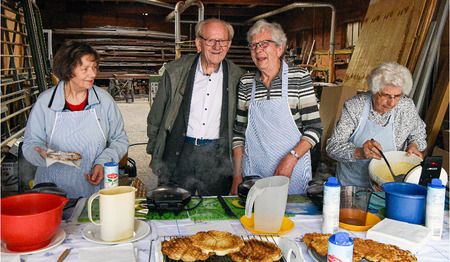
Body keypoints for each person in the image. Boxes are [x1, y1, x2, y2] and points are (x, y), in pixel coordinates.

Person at [146, 18, 246, 196]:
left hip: (218, 159)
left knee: (215, 212)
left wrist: (237, 173)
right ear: (199, 43)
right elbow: (156, 118)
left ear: (229, 44)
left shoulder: (238, 78)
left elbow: (241, 130)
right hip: (179, 153)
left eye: (222, 41)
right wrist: (156, 156)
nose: (217, 46)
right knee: (173, 210)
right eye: (210, 40)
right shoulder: (175, 72)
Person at [22, 40, 129, 198]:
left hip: (93, 189)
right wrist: (41, 154)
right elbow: (30, 144)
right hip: (52, 190)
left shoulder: (104, 101)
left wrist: (103, 162)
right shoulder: (45, 102)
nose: (92, 74)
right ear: (68, 70)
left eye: (94, 67)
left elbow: (120, 140)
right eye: (85, 69)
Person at [231, 20, 322, 195]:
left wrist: (291, 158)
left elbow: (315, 129)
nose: (258, 49)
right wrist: (237, 175)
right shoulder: (246, 83)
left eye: (264, 43)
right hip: (253, 174)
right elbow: (239, 133)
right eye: (253, 45)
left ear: (280, 49)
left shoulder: (299, 78)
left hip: (291, 171)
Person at [326, 61, 427, 188]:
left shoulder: (406, 107)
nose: (391, 102)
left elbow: (418, 133)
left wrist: (414, 145)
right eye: (386, 95)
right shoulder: (355, 106)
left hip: (389, 185)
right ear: (374, 90)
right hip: (353, 186)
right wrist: (359, 152)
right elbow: (332, 146)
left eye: (397, 96)